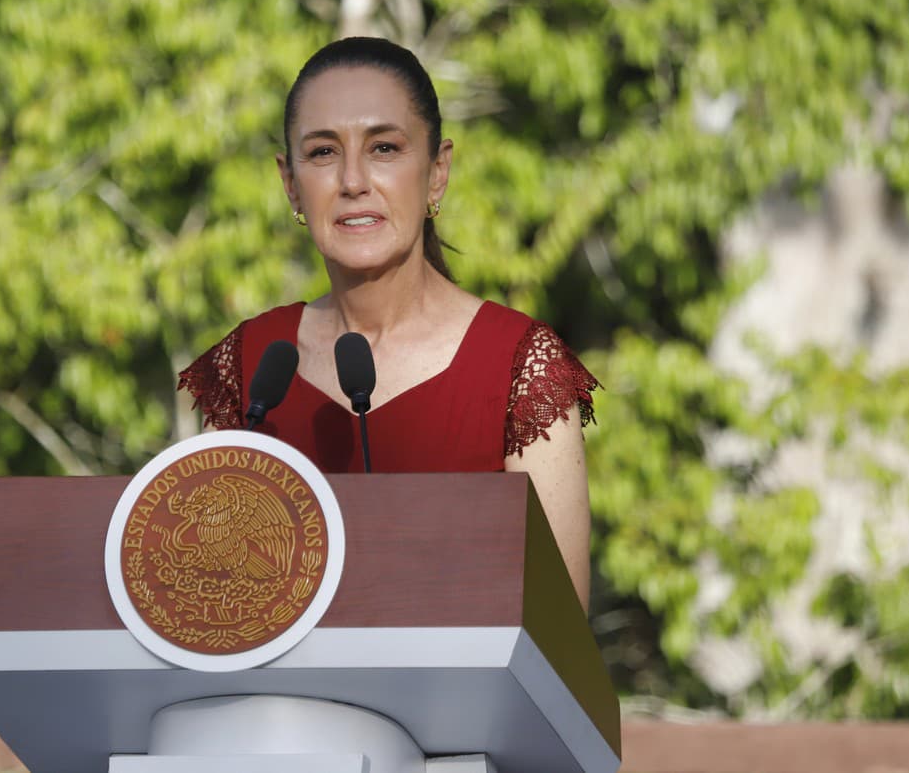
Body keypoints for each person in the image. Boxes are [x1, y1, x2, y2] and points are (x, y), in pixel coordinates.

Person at [179, 37, 599, 611]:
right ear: (290, 182)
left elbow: (559, 630)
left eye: (383, 148)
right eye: (323, 152)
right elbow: (201, 601)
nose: (353, 180)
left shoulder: (519, 365)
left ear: (437, 172)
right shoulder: (252, 365)